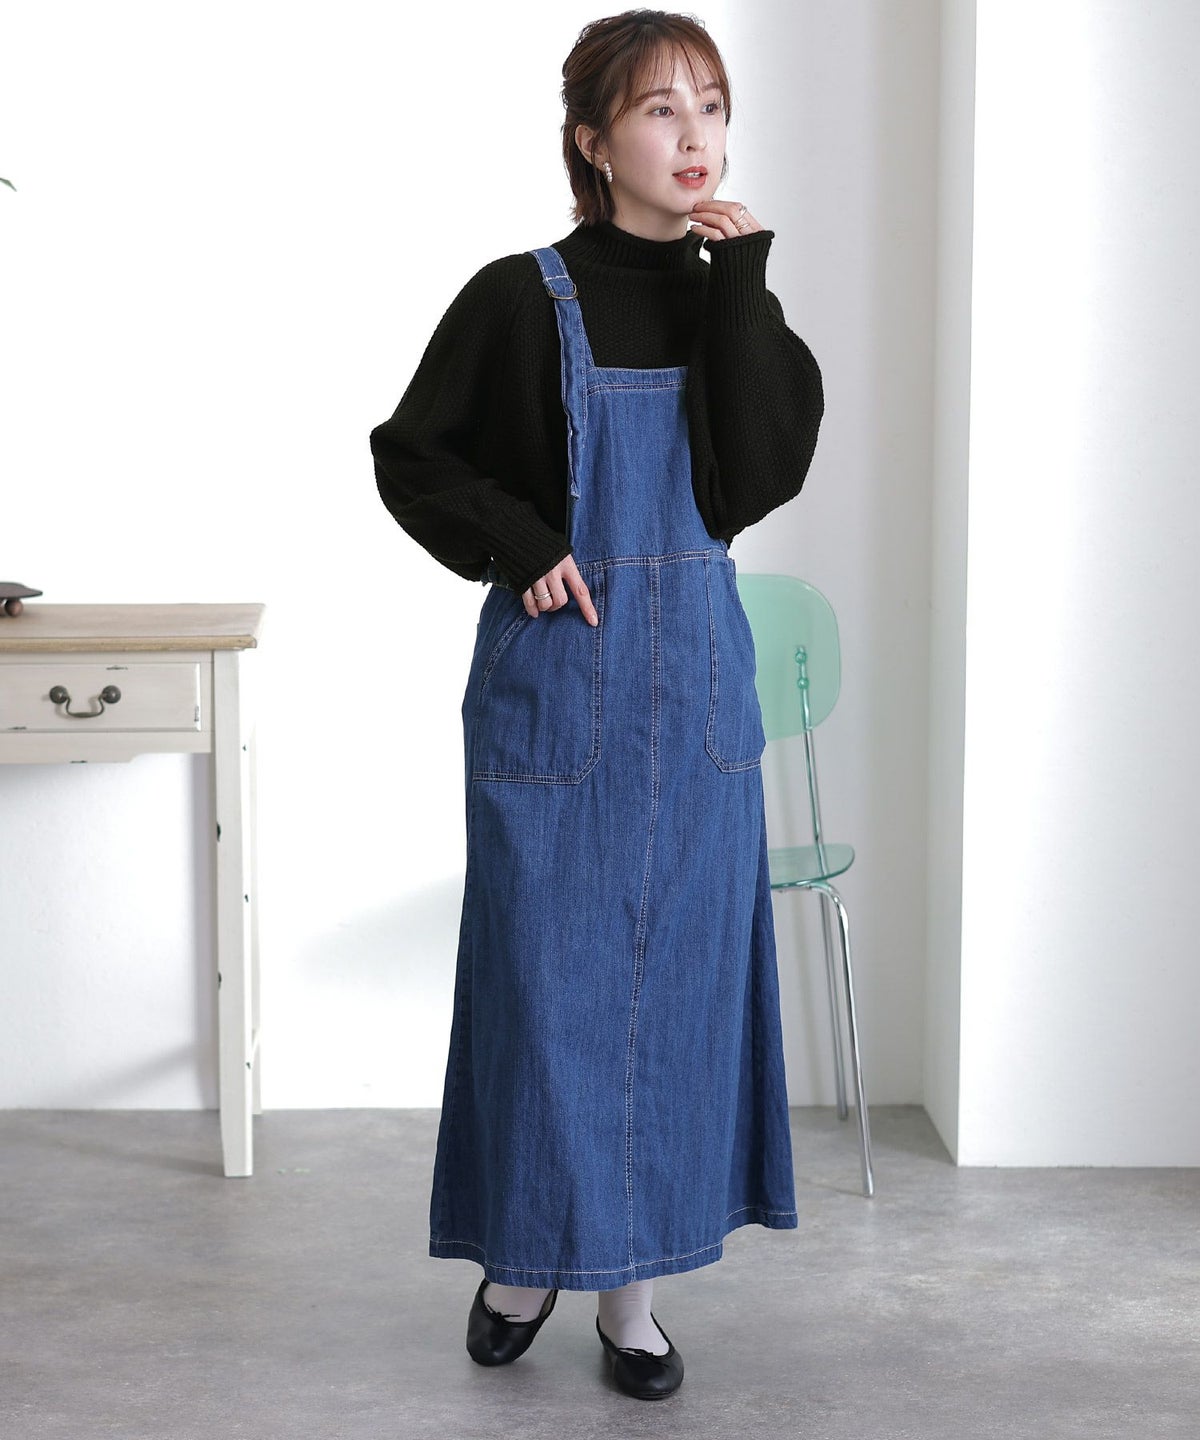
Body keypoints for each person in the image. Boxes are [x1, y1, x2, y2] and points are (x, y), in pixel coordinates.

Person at [369, 8, 824, 1402]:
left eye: (711, 108)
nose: (695, 138)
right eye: (660, 110)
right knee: (547, 991)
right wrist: (520, 538)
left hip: (698, 691)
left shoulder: (730, 295)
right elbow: (411, 453)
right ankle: (524, 1262)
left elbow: (755, 480)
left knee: (679, 992)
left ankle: (633, 1301)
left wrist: (740, 286)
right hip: (559, 685)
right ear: (592, 140)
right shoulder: (520, 297)